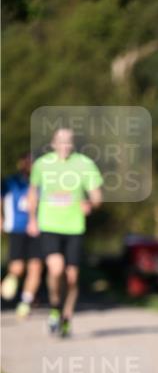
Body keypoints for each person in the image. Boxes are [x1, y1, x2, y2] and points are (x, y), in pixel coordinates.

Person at [27, 128, 103, 337]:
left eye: (68, 141)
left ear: (73, 143)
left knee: (71, 278)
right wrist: (32, 220)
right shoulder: (42, 165)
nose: (64, 146)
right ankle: (54, 307)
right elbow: (33, 193)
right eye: (60, 141)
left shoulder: (84, 164)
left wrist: (90, 203)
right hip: (49, 225)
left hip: (74, 227)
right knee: (55, 268)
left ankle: (66, 317)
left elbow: (97, 196)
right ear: (53, 143)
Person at [1, 153, 43, 317]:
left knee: (36, 267)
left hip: (38, 229)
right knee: (17, 268)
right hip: (16, 228)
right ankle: (8, 284)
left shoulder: (43, 184)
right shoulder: (11, 182)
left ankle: (25, 302)